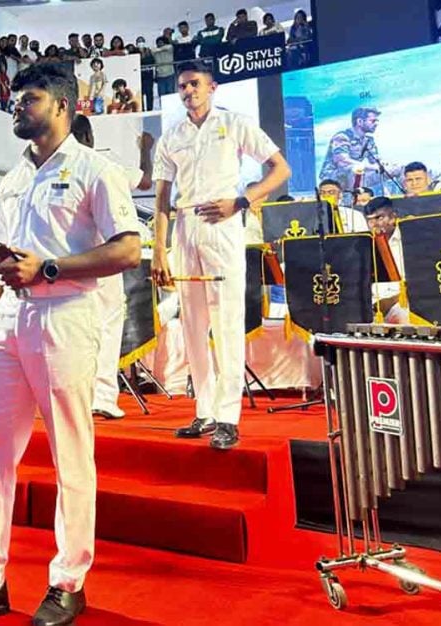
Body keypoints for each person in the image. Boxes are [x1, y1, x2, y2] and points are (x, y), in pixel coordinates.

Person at [0, 63, 141, 626]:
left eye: (30, 98)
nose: (17, 107)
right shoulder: (12, 179)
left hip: (65, 317)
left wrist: (49, 267)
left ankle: (69, 581)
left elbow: (127, 252)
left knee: (71, 454)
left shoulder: (96, 170)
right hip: (7, 326)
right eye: (17, 99)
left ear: (64, 106)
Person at [151, 62, 291, 451]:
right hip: (184, 227)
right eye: (182, 86)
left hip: (223, 223)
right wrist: (159, 252)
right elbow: (162, 199)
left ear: (212, 87)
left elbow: (281, 169)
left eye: (195, 84)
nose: (188, 91)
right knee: (192, 323)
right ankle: (205, 410)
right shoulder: (171, 137)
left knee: (226, 321)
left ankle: (229, 416)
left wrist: (242, 201)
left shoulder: (235, 123)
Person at [70, 114, 151, 422]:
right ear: (90, 137)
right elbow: (145, 179)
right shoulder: (106, 166)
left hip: (71, 263)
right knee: (107, 326)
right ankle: (102, 396)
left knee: (76, 330)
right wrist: (145, 148)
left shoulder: (54, 167)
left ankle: (77, 395)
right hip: (105, 259)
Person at [319, 107, 386, 194]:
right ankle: (354, 200)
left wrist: (383, 166)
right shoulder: (342, 137)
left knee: (394, 169)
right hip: (333, 177)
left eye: (377, 121)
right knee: (354, 169)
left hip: (358, 175)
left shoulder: (369, 140)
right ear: (360, 122)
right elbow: (342, 162)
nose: (376, 124)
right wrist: (370, 167)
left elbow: (376, 162)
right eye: (373, 121)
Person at [364, 197, 408, 324]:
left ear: (393, 217)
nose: (374, 224)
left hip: (401, 301)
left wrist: (390, 302)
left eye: (379, 218)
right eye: (369, 220)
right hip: (372, 304)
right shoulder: (365, 243)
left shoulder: (408, 240)